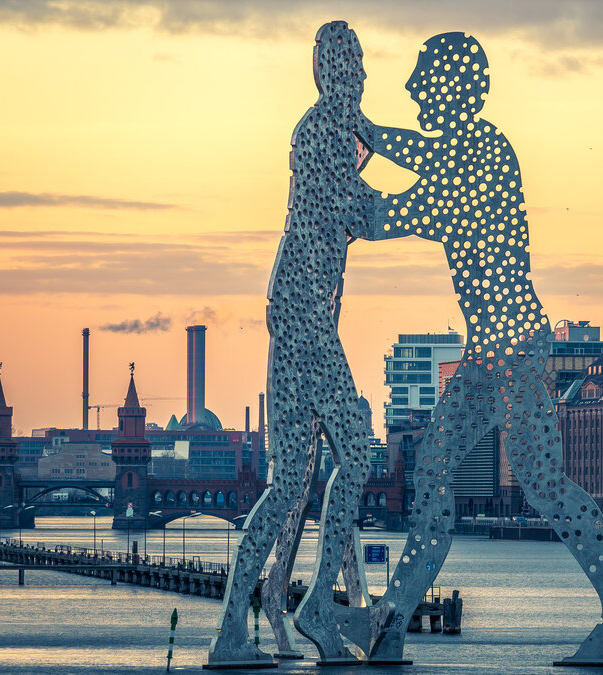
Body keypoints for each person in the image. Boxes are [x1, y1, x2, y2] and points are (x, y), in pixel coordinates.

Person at [342, 32, 603, 665]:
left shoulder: (483, 154)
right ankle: (392, 622)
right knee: (432, 471)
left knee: (537, 476)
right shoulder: (462, 151)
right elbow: (420, 154)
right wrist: (365, 131)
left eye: (422, 77)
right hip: (489, 353)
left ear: (456, 87)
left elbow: (394, 213)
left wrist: (339, 172)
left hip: (519, 352)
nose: (411, 88)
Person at [205, 20, 375, 666]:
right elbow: (362, 209)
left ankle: (237, 628)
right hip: (305, 321)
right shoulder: (325, 132)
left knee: (289, 486)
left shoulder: (331, 129)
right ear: (324, 70)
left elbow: (360, 173)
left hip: (299, 319)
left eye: (359, 64)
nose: (358, 75)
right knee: (355, 453)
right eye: (347, 65)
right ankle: (315, 607)